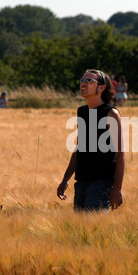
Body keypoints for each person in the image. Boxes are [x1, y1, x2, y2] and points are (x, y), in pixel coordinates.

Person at [57, 69, 126, 212]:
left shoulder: (111, 114)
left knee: (93, 228)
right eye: (82, 80)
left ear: (101, 88)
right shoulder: (82, 111)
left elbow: (121, 153)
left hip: (102, 183)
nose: (83, 83)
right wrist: (65, 179)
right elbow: (79, 148)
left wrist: (117, 188)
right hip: (81, 182)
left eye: (89, 81)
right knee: (80, 231)